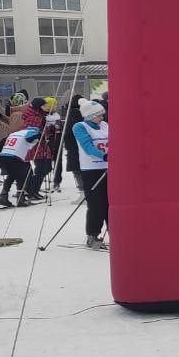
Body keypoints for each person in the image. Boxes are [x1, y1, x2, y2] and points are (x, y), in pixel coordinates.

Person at [73, 98, 109, 249]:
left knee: (110, 204)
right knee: (96, 205)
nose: (102, 118)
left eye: (102, 114)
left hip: (109, 169)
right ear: (89, 116)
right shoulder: (80, 126)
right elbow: (87, 146)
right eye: (98, 115)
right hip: (91, 170)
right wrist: (104, 155)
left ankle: (117, 232)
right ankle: (92, 235)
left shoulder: (105, 125)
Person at [0, 125, 40, 207]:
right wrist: (39, 135)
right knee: (22, 176)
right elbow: (29, 138)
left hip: (5, 155)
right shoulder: (32, 132)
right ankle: (21, 198)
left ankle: (3, 195)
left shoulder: (17, 133)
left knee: (12, 175)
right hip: (15, 156)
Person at [21, 97, 56, 200]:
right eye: (44, 105)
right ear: (39, 107)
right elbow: (31, 131)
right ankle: (32, 190)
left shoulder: (39, 115)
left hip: (42, 145)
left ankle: (33, 190)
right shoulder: (34, 117)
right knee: (42, 168)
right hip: (37, 146)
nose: (46, 108)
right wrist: (44, 131)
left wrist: (49, 129)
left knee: (45, 167)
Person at [61, 95, 85, 193]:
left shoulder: (69, 114)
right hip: (77, 144)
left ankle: (81, 188)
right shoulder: (78, 114)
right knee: (78, 166)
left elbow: (67, 130)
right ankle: (82, 188)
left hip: (71, 144)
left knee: (76, 167)